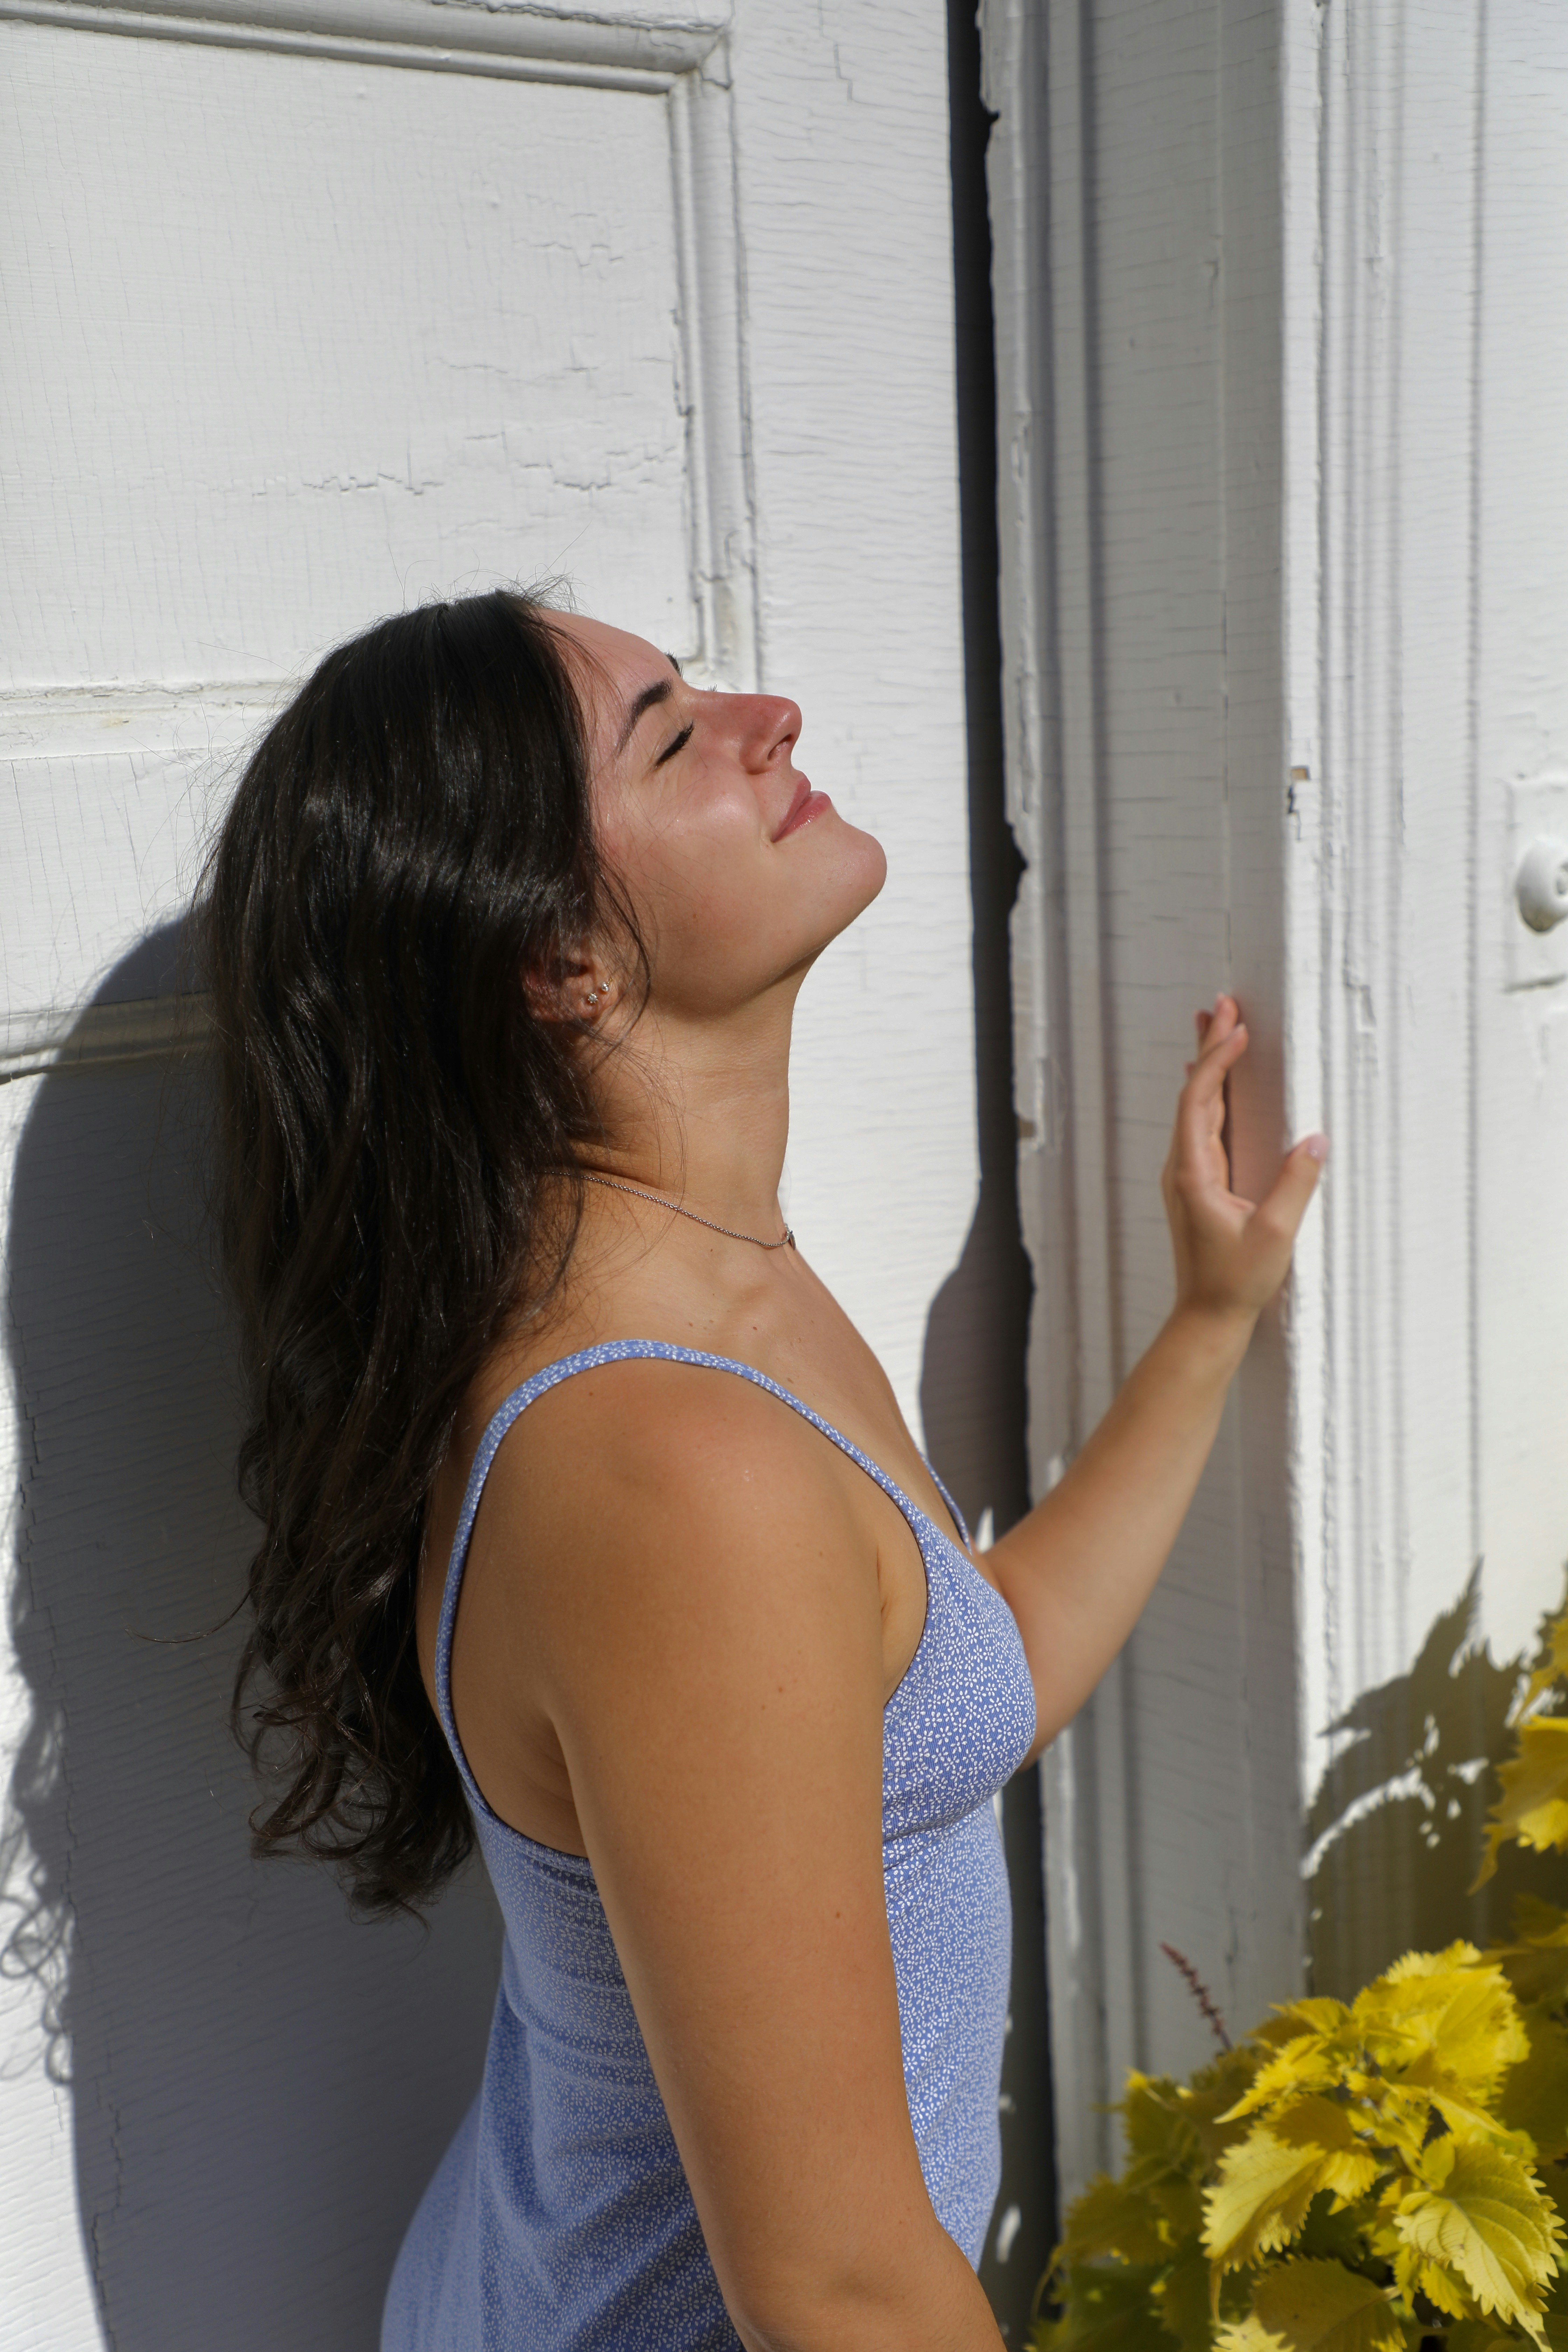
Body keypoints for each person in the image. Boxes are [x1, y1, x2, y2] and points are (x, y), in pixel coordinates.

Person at [198, 587, 1326, 2352]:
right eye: (672, 731)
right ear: (558, 958)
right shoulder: (665, 1463)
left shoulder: (728, 1301)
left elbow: (953, 1688)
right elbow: (839, 2291)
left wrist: (1205, 1326)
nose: (771, 714)